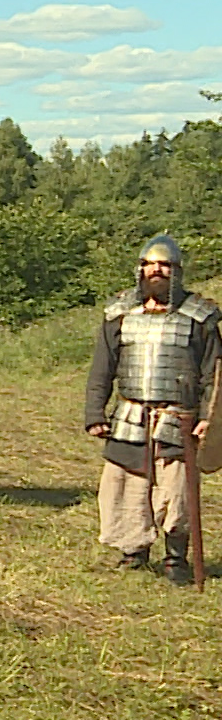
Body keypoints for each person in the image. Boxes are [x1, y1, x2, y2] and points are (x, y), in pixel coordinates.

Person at [84, 234, 217, 585]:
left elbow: (212, 374)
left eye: (163, 264)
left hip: (177, 418)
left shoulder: (199, 317)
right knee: (126, 486)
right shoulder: (119, 313)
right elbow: (103, 367)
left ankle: (176, 559)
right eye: (148, 264)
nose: (155, 270)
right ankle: (134, 550)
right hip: (129, 416)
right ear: (139, 269)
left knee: (176, 491)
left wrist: (207, 418)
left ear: (177, 271)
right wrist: (94, 413)